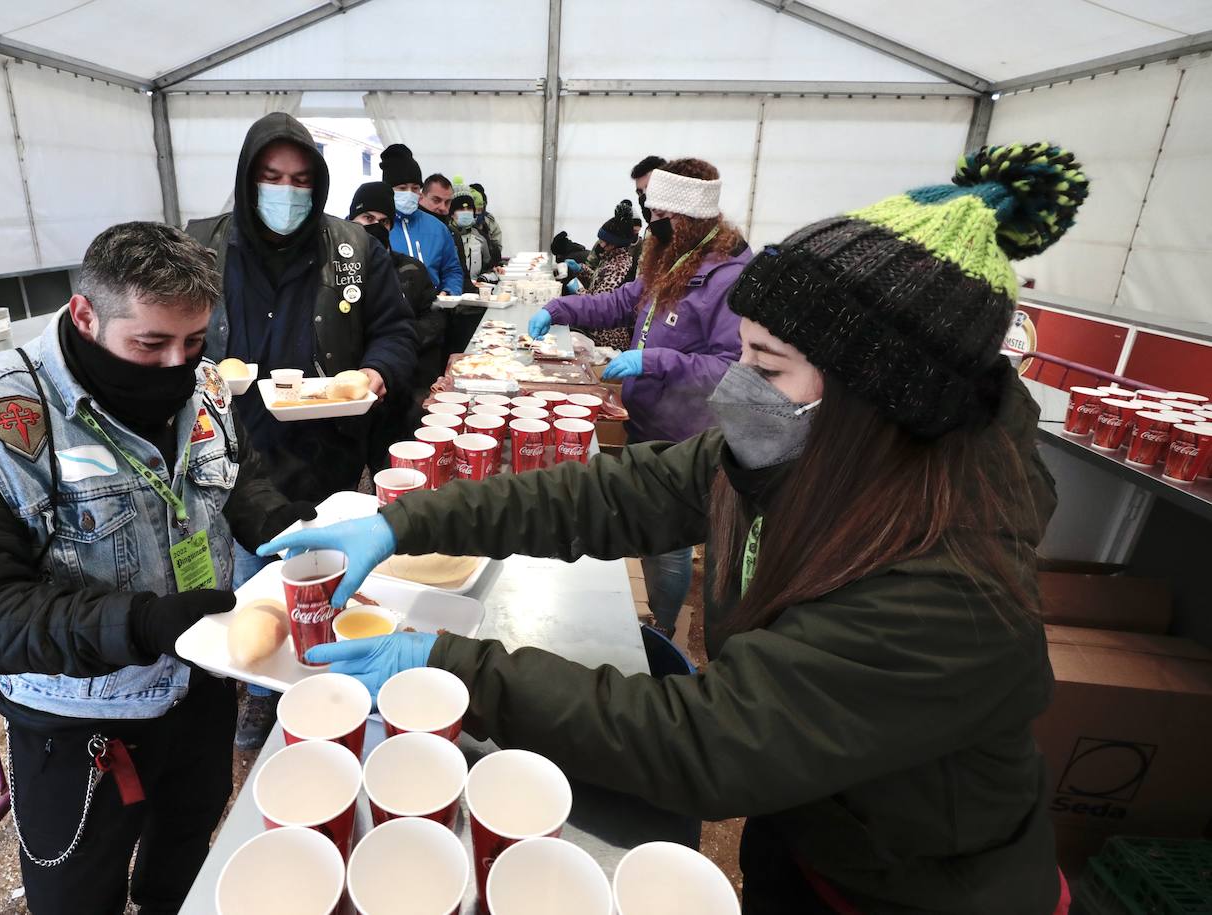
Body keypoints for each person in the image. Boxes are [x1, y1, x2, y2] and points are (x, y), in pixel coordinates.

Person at [259, 141, 1091, 915]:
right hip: (808, 825)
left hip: (920, 891)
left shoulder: (947, 587)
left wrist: (451, 665)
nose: (739, 385)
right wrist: (403, 520)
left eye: (765, 366)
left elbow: (707, 740)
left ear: (878, 398)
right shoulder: (802, 457)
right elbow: (610, 495)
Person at [0, 222, 320, 915]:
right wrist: (138, 622)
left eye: (193, 342)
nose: (175, 366)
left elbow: (227, 478)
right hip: (82, 722)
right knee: (76, 891)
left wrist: (280, 519)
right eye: (150, 344)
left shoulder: (204, 380)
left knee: (186, 844)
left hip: (201, 682)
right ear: (84, 315)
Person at [185, 113, 417, 748]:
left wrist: (375, 373)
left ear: (317, 185)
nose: (285, 193)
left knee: (321, 571)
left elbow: (396, 332)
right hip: (229, 451)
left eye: (299, 179)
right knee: (247, 579)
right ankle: (262, 691)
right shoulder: (202, 247)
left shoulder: (352, 248)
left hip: (323, 449)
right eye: (270, 177)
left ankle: (326, 677)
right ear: (246, 178)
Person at [529, 158, 750, 636]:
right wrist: (559, 307)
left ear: (689, 219)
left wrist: (653, 361)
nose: (651, 226)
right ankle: (652, 612)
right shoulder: (673, 257)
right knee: (649, 531)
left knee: (667, 543)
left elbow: (729, 368)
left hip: (685, 437)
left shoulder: (728, 277)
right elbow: (619, 301)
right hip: (644, 422)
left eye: (660, 219)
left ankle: (662, 629)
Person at [348, 181, 446, 471]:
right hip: (345, 393)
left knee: (390, 466)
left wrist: (402, 340)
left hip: (394, 390)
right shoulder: (332, 271)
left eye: (384, 221)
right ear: (352, 219)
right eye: (367, 219)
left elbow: (435, 317)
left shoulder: (410, 270)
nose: (376, 226)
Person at [381, 144, 464, 295]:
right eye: (402, 188)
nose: (409, 193)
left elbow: (452, 269)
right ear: (388, 189)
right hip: (391, 312)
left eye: (415, 188)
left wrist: (449, 291)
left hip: (433, 310)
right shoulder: (378, 227)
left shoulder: (437, 228)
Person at [570, 201, 639, 350]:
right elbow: (599, 278)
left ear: (613, 243)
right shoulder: (612, 258)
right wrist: (580, 269)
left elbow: (599, 304)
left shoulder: (619, 267)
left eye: (602, 241)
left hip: (608, 339)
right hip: (598, 332)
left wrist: (578, 290)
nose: (599, 244)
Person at [629, 154, 667, 282]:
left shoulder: (687, 237)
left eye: (650, 189)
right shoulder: (650, 232)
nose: (644, 198)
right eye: (640, 192)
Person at [470, 181, 504, 257]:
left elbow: (497, 248)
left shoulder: (490, 222)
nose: (477, 212)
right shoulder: (461, 222)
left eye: (480, 207)